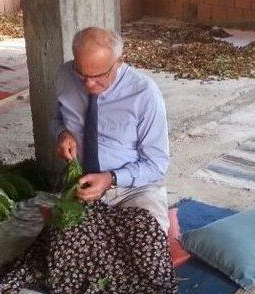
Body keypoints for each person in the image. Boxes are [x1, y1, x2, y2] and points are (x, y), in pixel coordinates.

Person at [54, 26, 170, 232]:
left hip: (134, 190)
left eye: (99, 75)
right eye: (81, 74)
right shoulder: (64, 75)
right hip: (81, 186)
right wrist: (61, 133)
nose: (89, 84)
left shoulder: (144, 94)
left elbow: (156, 164)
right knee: (63, 247)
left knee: (145, 239)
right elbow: (56, 118)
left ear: (118, 62)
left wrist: (110, 179)